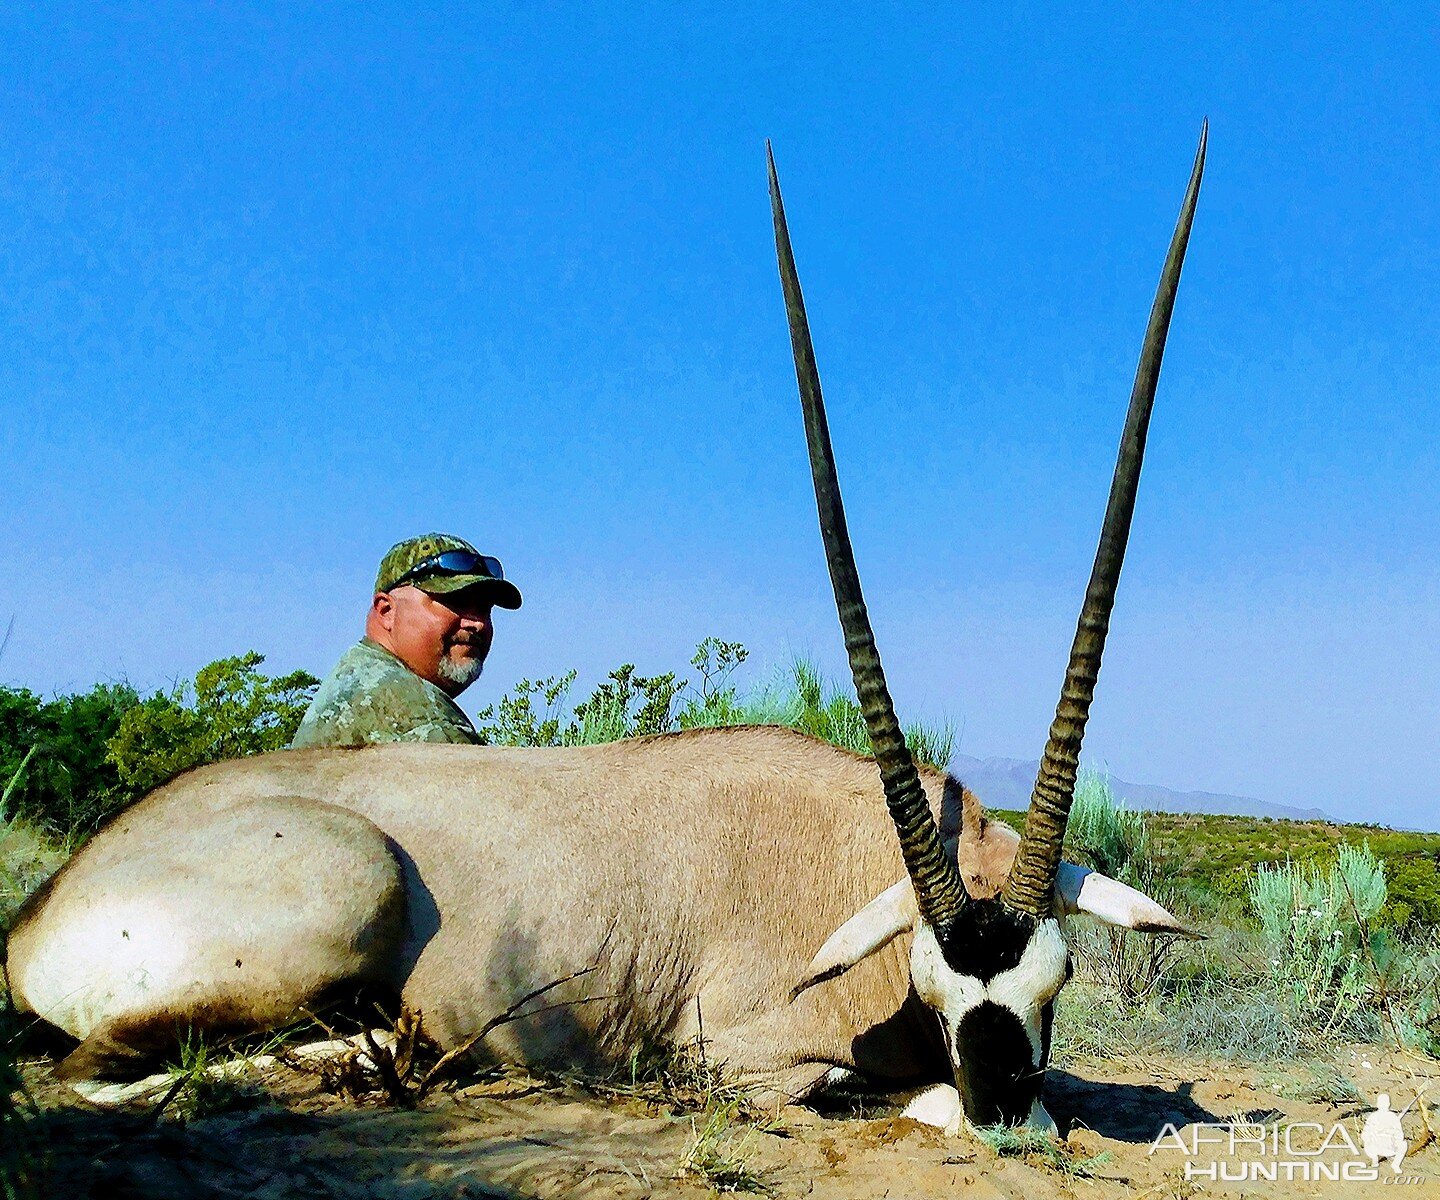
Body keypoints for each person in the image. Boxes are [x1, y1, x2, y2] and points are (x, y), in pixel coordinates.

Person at [290, 533, 522, 748]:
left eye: (485, 609)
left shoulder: (359, 674)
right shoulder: (424, 720)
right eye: (455, 602)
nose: (477, 623)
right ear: (386, 611)